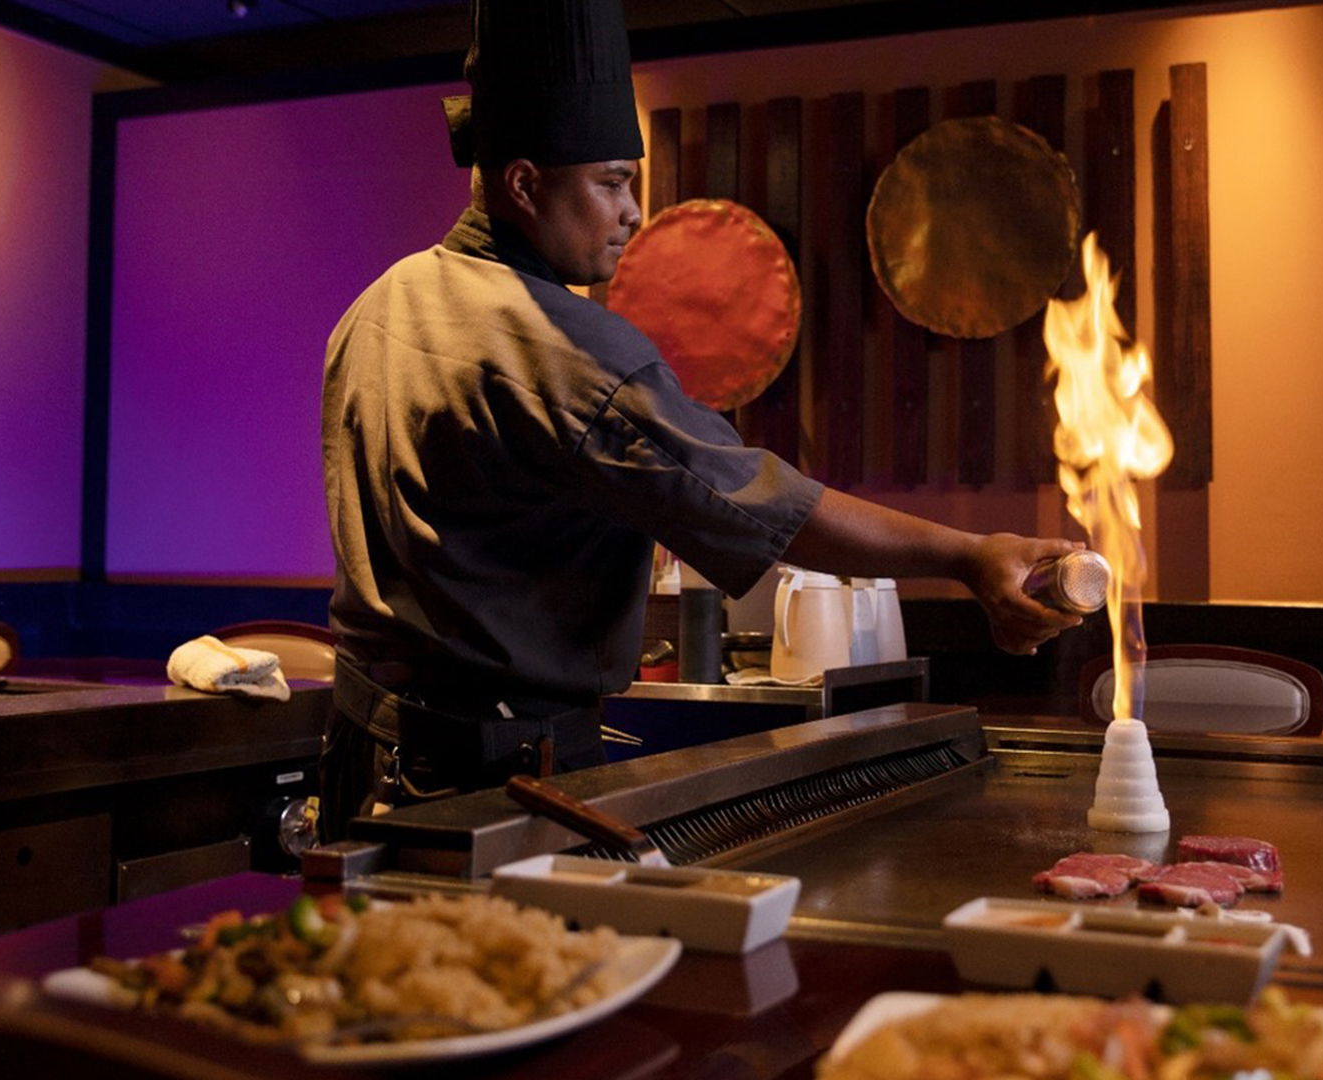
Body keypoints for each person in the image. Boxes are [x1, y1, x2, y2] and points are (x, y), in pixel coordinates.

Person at [317, 0, 1081, 842]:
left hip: (361, 753)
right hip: (492, 779)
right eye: (612, 183)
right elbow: (758, 505)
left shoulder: (376, 304)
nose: (633, 212)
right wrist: (969, 556)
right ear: (526, 185)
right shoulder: (568, 349)